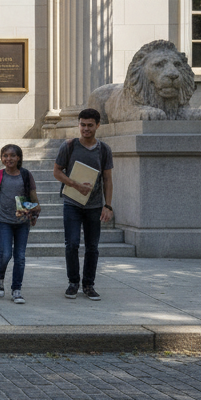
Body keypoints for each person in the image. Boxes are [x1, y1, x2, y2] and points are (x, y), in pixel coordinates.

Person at [53, 107, 114, 301]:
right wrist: (75, 185)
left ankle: (88, 284)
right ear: (78, 125)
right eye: (82, 125)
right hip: (72, 203)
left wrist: (108, 205)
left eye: (90, 125)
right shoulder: (69, 146)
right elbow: (57, 172)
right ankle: (73, 283)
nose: (86, 129)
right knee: (71, 244)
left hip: (95, 205)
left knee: (92, 247)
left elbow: (108, 179)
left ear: (97, 125)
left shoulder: (104, 149)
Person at [0, 144, 42, 304]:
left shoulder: (25, 175)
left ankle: (16, 289)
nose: (8, 159)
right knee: (5, 254)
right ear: (1, 158)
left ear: (19, 158)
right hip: (4, 221)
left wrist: (34, 210)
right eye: (5, 155)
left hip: (22, 222)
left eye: (12, 156)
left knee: (20, 257)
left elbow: (33, 198)